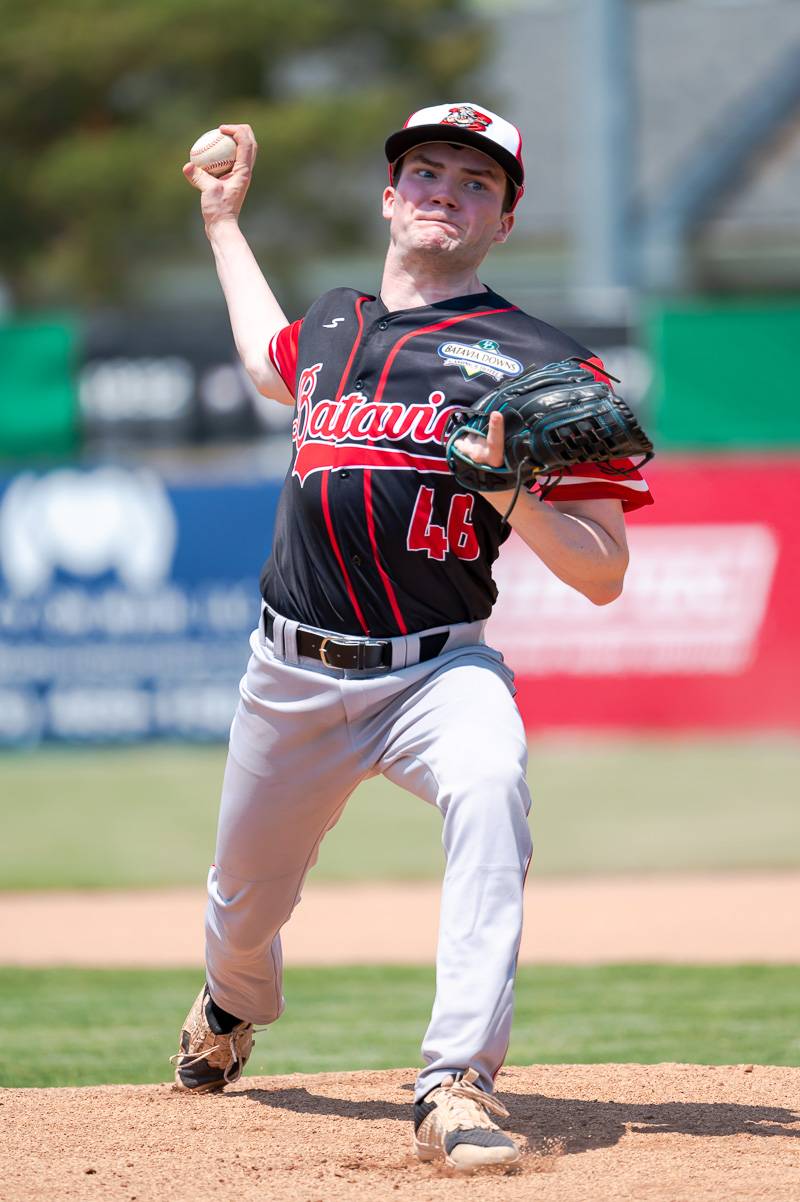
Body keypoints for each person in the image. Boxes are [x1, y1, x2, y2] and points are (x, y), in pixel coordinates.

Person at [173, 101, 653, 1172]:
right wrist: (221, 222)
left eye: (475, 182)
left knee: (491, 786)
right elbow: (266, 361)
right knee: (242, 902)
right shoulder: (335, 323)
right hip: (288, 670)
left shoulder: (545, 364)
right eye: (425, 171)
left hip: (437, 666)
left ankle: (455, 1080)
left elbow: (604, 573)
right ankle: (229, 1003)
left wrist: (516, 497)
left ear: (504, 219)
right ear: (389, 196)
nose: (445, 189)